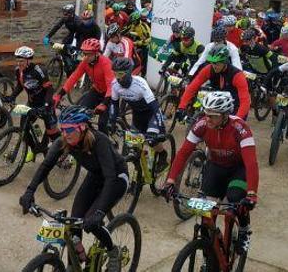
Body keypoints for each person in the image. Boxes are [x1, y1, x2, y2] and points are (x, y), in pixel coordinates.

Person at [19, 106, 127, 270]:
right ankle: (75, 263)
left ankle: (113, 252)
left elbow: (110, 178)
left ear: (82, 127)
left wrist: (98, 213)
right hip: (96, 176)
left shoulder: (100, 141)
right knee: (74, 221)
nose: (65, 133)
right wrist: (29, 191)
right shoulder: (64, 141)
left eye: (69, 129)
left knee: (92, 222)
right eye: (62, 129)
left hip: (116, 177)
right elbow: (46, 165)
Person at [162, 91, 259, 254]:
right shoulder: (201, 125)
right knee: (206, 211)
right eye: (206, 114)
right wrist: (170, 181)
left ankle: (244, 229)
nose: (207, 119)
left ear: (225, 115)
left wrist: (251, 194)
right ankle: (210, 251)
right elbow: (183, 154)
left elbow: (251, 163)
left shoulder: (240, 128)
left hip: (238, 169)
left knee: (236, 200)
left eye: (212, 116)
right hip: (216, 167)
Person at [111, 57, 168, 168]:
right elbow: (114, 105)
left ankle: (162, 155)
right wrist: (111, 122)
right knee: (134, 145)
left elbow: (155, 107)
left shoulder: (140, 83)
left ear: (128, 73)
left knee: (152, 141)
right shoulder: (115, 85)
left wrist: (161, 128)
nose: (117, 77)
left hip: (151, 114)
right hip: (137, 115)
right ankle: (138, 171)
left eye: (120, 74)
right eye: (115, 73)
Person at [54, 38, 116, 134]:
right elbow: (74, 77)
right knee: (79, 114)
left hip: (109, 95)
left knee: (102, 124)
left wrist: (104, 103)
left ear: (96, 53)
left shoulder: (106, 63)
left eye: (88, 54)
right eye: (84, 53)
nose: (86, 56)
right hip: (96, 90)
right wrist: (60, 94)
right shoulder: (85, 62)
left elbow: (111, 86)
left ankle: (106, 145)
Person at [179, 44, 251, 120]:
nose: (214, 66)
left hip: (236, 105)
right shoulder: (209, 69)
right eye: (212, 62)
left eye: (217, 63)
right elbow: (192, 87)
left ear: (224, 62)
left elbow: (245, 101)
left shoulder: (237, 75)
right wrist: (181, 107)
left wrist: (237, 119)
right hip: (219, 104)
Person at [3, 46, 58, 144]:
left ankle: (65, 149)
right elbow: (20, 86)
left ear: (28, 61)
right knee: (24, 129)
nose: (19, 63)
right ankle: (34, 149)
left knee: (52, 133)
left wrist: (46, 105)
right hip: (32, 104)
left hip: (46, 104)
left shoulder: (38, 71)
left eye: (22, 61)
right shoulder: (18, 71)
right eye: (18, 61)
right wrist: (12, 97)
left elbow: (49, 89)